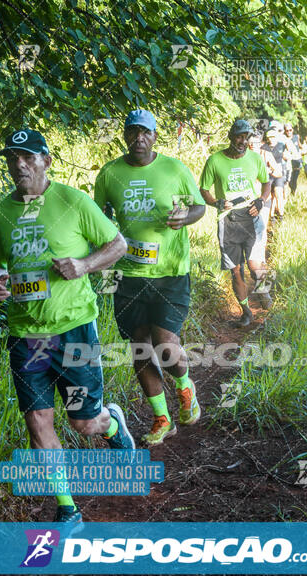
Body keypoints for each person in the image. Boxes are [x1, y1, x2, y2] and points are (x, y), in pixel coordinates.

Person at [0, 128, 134, 524]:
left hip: (73, 328)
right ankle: (67, 508)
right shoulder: (0, 213)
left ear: (46, 161)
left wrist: (84, 265)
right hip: (24, 333)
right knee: (37, 421)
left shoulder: (73, 201)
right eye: (12, 157)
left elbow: (118, 244)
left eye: (27, 156)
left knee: (82, 422)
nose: (19, 164)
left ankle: (110, 423)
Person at [94, 109, 205, 446]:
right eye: (132, 132)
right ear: (125, 135)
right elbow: (99, 217)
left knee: (165, 344)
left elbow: (199, 206)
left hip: (170, 272)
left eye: (145, 132)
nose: (138, 138)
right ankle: (162, 419)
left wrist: (185, 216)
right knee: (140, 349)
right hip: (127, 276)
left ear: (155, 136)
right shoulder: (110, 174)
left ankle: (186, 387)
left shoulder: (173, 168)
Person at [199, 119, 272, 321]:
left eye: (246, 137)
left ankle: (264, 290)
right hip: (227, 219)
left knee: (254, 265)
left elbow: (267, 184)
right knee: (236, 270)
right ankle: (246, 311)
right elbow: (203, 190)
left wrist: (260, 201)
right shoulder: (214, 161)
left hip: (251, 215)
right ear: (231, 137)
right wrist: (217, 203)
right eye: (239, 136)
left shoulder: (255, 159)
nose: (243, 141)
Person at [261, 128, 289, 220]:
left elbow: (288, 156)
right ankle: (271, 216)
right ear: (267, 138)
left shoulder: (282, 145)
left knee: (278, 193)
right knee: (270, 195)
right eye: (270, 137)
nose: (272, 139)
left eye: (273, 137)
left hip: (279, 173)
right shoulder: (264, 147)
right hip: (268, 174)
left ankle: (281, 215)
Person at [284, 122, 302, 195]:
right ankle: (290, 192)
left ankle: (293, 193)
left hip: (297, 160)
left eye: (290, 130)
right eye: (287, 130)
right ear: (285, 131)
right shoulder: (283, 138)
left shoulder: (296, 137)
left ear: (292, 130)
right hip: (288, 161)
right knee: (289, 179)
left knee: (294, 178)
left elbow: (300, 145)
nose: (289, 132)